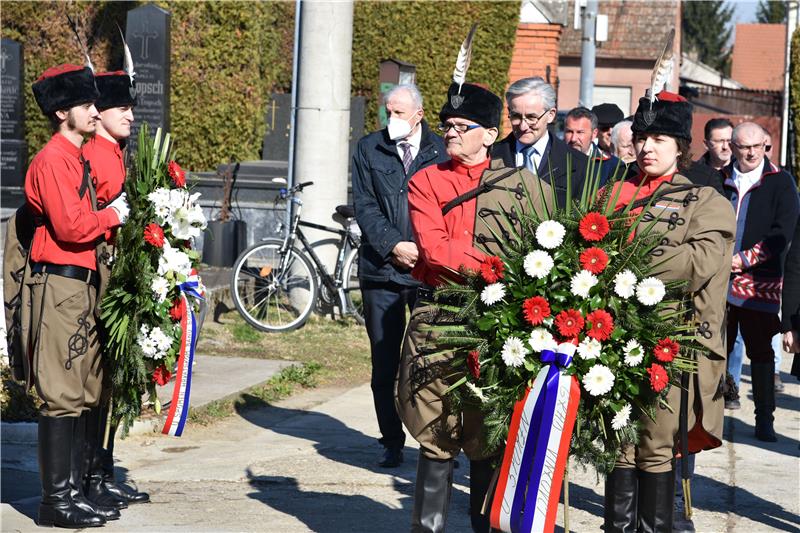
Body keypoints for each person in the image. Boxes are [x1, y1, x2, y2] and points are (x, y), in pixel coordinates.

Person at [396, 82, 552, 533]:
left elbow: (541, 251)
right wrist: (498, 268)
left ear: (489, 134)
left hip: (496, 325)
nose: (451, 134)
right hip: (438, 318)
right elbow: (437, 251)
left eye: (462, 127)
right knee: (436, 429)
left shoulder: (522, 187)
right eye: (446, 126)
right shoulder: (426, 180)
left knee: (488, 433)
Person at [603, 91, 736, 533]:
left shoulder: (705, 200)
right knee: (619, 446)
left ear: (681, 146)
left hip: (669, 344)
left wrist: (627, 258)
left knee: (656, 446)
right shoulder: (609, 194)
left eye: (659, 138)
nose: (647, 147)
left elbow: (699, 264)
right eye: (642, 136)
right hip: (609, 341)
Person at [22, 64, 130, 528]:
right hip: (60, 280)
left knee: (82, 388)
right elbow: (69, 226)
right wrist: (112, 217)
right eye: (87, 104)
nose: (95, 110)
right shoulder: (53, 159)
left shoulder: (76, 156)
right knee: (62, 392)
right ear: (62, 111)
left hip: (80, 281)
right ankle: (56, 502)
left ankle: (73, 492)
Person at [351, 84, 447, 468]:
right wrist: (394, 245)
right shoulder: (368, 148)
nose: (391, 119)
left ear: (419, 115)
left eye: (400, 113)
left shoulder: (439, 150)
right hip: (383, 271)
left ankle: (437, 440)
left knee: (433, 361)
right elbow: (365, 204)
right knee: (384, 362)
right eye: (387, 111)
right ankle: (390, 438)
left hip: (429, 272)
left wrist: (427, 250)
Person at [80, 69, 150, 506]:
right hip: (99, 272)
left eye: (130, 108)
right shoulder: (95, 152)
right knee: (95, 380)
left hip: (117, 270)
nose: (129, 115)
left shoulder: (116, 149)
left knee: (111, 380)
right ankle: (89, 476)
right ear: (99, 112)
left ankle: (101, 470)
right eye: (121, 108)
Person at [721, 122, 799, 442]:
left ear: (766, 145)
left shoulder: (780, 182)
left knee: (760, 352)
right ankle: (713, 408)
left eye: (757, 146)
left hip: (759, 284)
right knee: (716, 348)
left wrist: (744, 260)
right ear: (733, 148)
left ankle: (764, 418)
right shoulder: (720, 178)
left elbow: (783, 234)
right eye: (743, 146)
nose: (751, 152)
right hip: (719, 279)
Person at [491, 76, 588, 207]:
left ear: (551, 115)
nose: (523, 126)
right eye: (516, 116)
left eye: (531, 117)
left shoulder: (578, 164)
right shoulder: (490, 156)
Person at [563, 106, 623, 186]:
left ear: (594, 134)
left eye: (580, 132)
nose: (573, 139)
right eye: (569, 132)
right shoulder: (552, 159)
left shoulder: (612, 166)